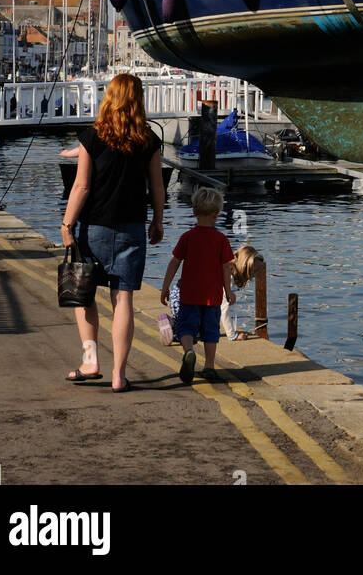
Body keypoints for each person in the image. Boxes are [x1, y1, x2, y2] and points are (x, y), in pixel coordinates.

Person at [60, 73, 164, 392]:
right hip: (132, 227)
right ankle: (119, 375)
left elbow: (82, 186)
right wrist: (158, 220)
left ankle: (91, 361)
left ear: (110, 97)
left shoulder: (92, 137)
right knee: (123, 299)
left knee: (84, 293)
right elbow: (157, 187)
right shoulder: (148, 140)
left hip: (95, 228)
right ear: (137, 100)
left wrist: (67, 224)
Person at [161, 187, 235, 384]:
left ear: (194, 212)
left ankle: (189, 352)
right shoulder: (221, 239)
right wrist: (228, 291)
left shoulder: (187, 237)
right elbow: (226, 268)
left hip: (189, 293)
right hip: (212, 295)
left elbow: (174, 262)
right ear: (216, 215)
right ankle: (209, 366)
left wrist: (165, 286)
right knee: (211, 331)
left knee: (185, 327)